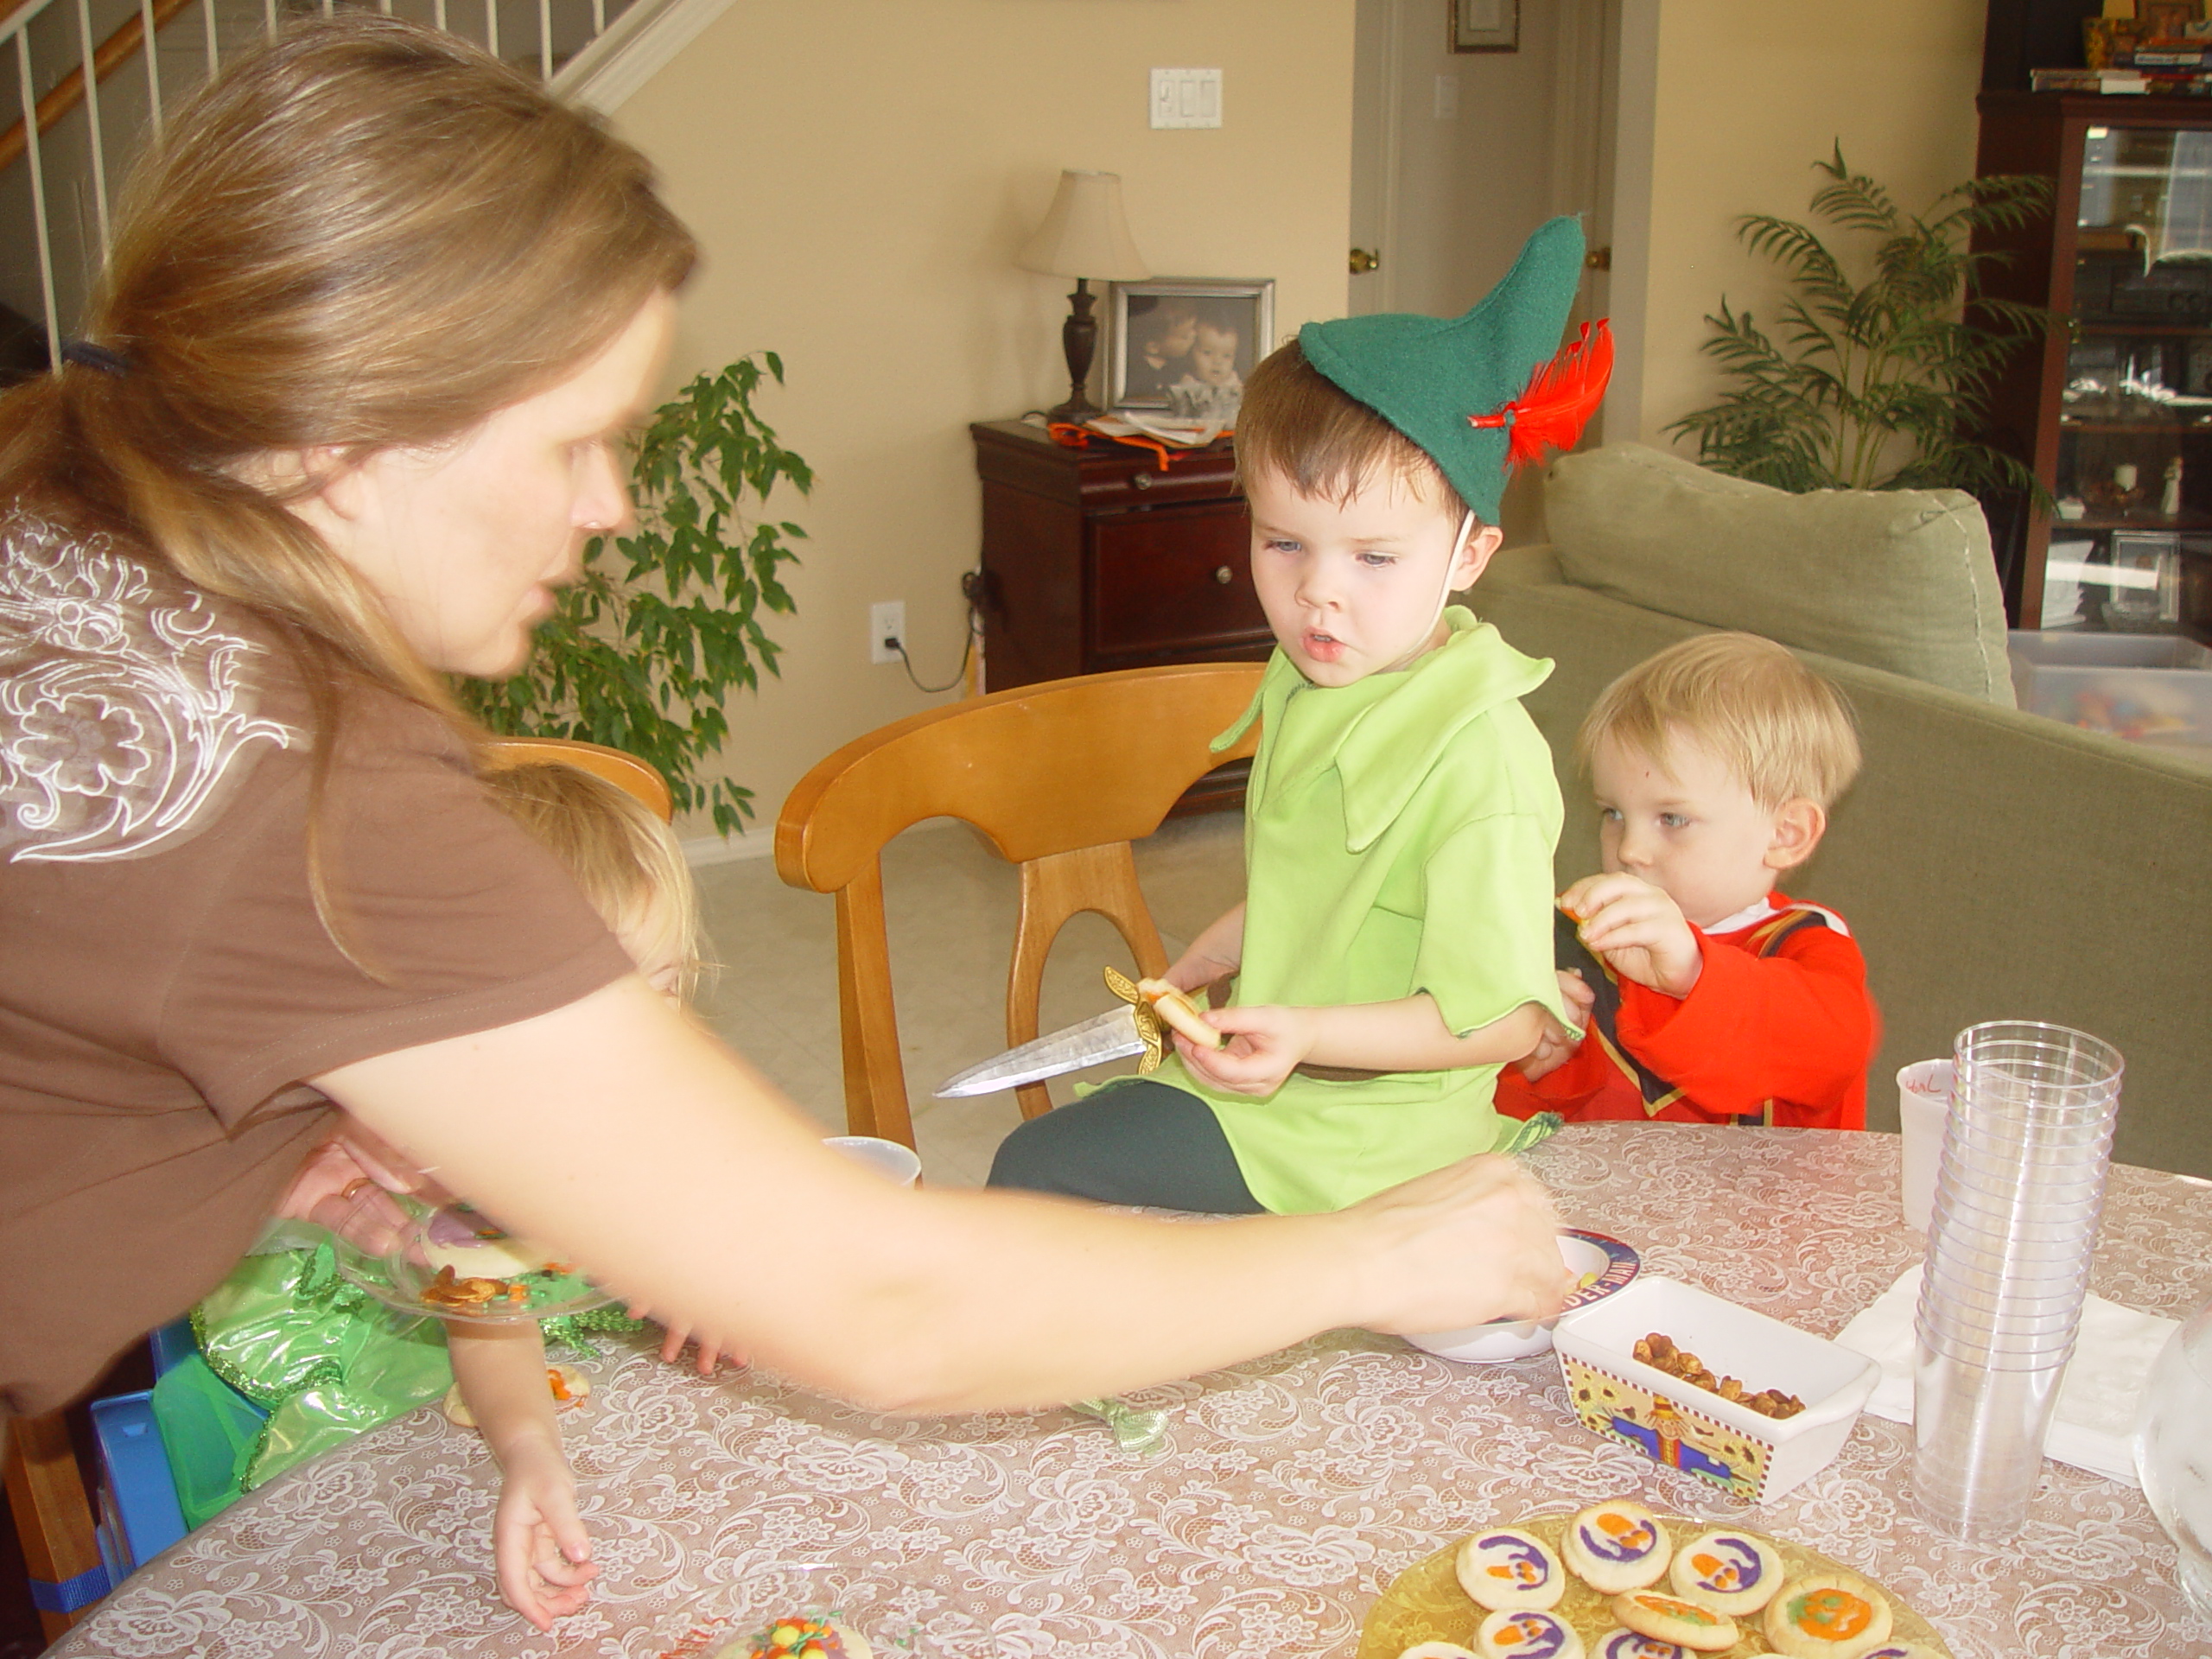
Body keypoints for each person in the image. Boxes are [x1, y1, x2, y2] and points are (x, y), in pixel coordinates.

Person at [0, 17, 1569, 1452]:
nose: (610, 506)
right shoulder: (301, 790)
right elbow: (877, 1304)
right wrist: (1385, 1253)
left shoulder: (66, 530)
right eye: (579, 442)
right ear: (350, 427)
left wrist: (246, 1138)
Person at [988, 219, 1609, 1217]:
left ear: (1469, 557)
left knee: (1036, 1180)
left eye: (1373, 557)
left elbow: (1498, 1021)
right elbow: (1329, 888)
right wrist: (1217, 953)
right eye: (1284, 543)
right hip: (1290, 1083)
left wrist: (1307, 1035)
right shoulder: (1313, 677)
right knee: (1059, 1180)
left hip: (1376, 1136)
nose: (1319, 596)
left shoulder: (1480, 760)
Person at [186, 761, 702, 1629]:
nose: (645, 1036)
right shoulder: (466, 1145)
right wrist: (533, 1455)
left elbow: (716, 1202)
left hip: (562, 1312)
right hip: (417, 1322)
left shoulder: (651, 1080)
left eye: (666, 990)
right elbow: (491, 1328)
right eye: (596, 1008)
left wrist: (721, 1283)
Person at [1495, 632, 1880, 1129]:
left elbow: (1828, 1056)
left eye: (1672, 819)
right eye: (1612, 813)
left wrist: (1692, 973)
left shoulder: (1808, 945)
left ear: (1786, 835)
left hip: (1762, 1207)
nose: (1628, 849)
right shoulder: (1579, 941)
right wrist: (1536, 1062)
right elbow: (1510, 1127)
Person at [1166, 316, 1244, 424]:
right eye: (1207, 353)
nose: (1217, 361)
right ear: (1190, 355)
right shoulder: (1185, 389)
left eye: (1227, 356)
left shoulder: (1237, 390)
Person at [1122, 297, 1198, 401]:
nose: (1194, 336)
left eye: (1193, 329)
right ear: (1154, 347)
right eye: (1184, 337)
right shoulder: (1140, 373)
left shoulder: (1178, 363)